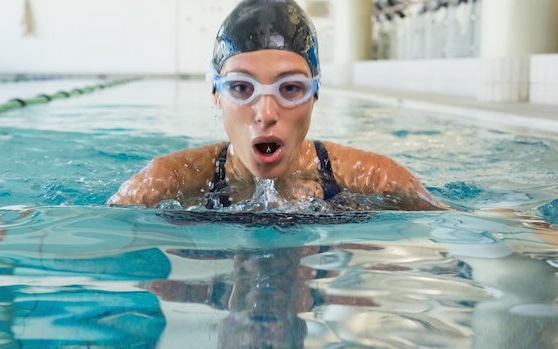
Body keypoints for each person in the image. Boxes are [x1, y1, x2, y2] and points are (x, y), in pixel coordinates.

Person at [108, 0, 441, 211]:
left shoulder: (375, 178)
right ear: (216, 95)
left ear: (315, 93)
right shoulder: (164, 180)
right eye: (241, 87)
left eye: (291, 88)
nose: (266, 113)